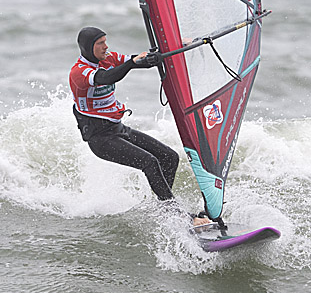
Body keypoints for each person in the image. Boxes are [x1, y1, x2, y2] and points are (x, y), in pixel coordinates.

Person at [69, 26, 209, 226]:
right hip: (100, 139)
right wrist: (131, 64)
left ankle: (163, 209)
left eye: (105, 42)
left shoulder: (109, 58)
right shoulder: (79, 72)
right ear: (87, 47)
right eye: (100, 43)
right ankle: (176, 214)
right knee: (149, 162)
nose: (105, 46)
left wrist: (172, 48)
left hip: (118, 130)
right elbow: (106, 77)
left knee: (169, 157)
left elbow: (138, 59)